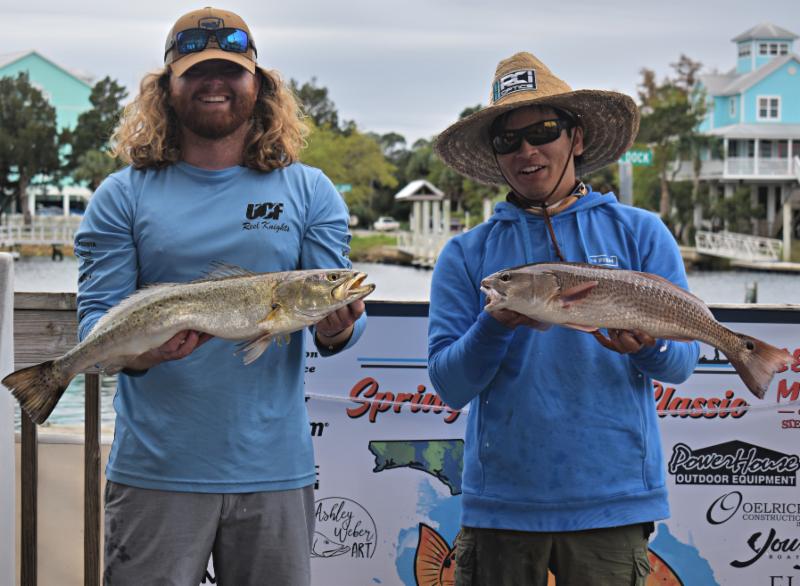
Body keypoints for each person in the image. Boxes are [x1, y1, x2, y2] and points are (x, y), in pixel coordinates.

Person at [74, 7, 366, 585]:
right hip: (155, 471)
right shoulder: (121, 196)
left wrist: (339, 327)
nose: (215, 84)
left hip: (275, 470)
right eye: (196, 72)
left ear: (258, 85)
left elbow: (332, 316)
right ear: (167, 87)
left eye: (231, 71)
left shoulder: (310, 190)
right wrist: (143, 353)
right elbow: (96, 327)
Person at [427, 52, 700, 585]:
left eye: (543, 132)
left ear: (576, 138)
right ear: (496, 154)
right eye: (508, 140)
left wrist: (648, 347)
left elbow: (681, 365)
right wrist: (494, 325)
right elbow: (449, 385)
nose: (527, 151)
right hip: (501, 509)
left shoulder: (641, 233)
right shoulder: (465, 254)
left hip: (612, 504)